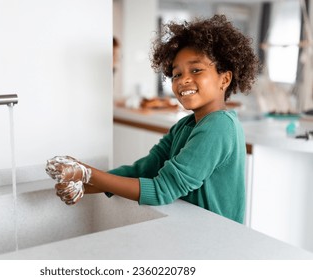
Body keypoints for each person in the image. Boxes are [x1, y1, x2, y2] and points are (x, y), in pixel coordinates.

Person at [46, 15, 260, 224]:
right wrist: (84, 184)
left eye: (196, 70)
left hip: (217, 243)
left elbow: (163, 189)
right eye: (176, 74)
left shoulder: (219, 126)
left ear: (225, 79)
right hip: (194, 232)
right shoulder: (184, 127)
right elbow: (143, 170)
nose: (183, 79)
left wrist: (87, 173)